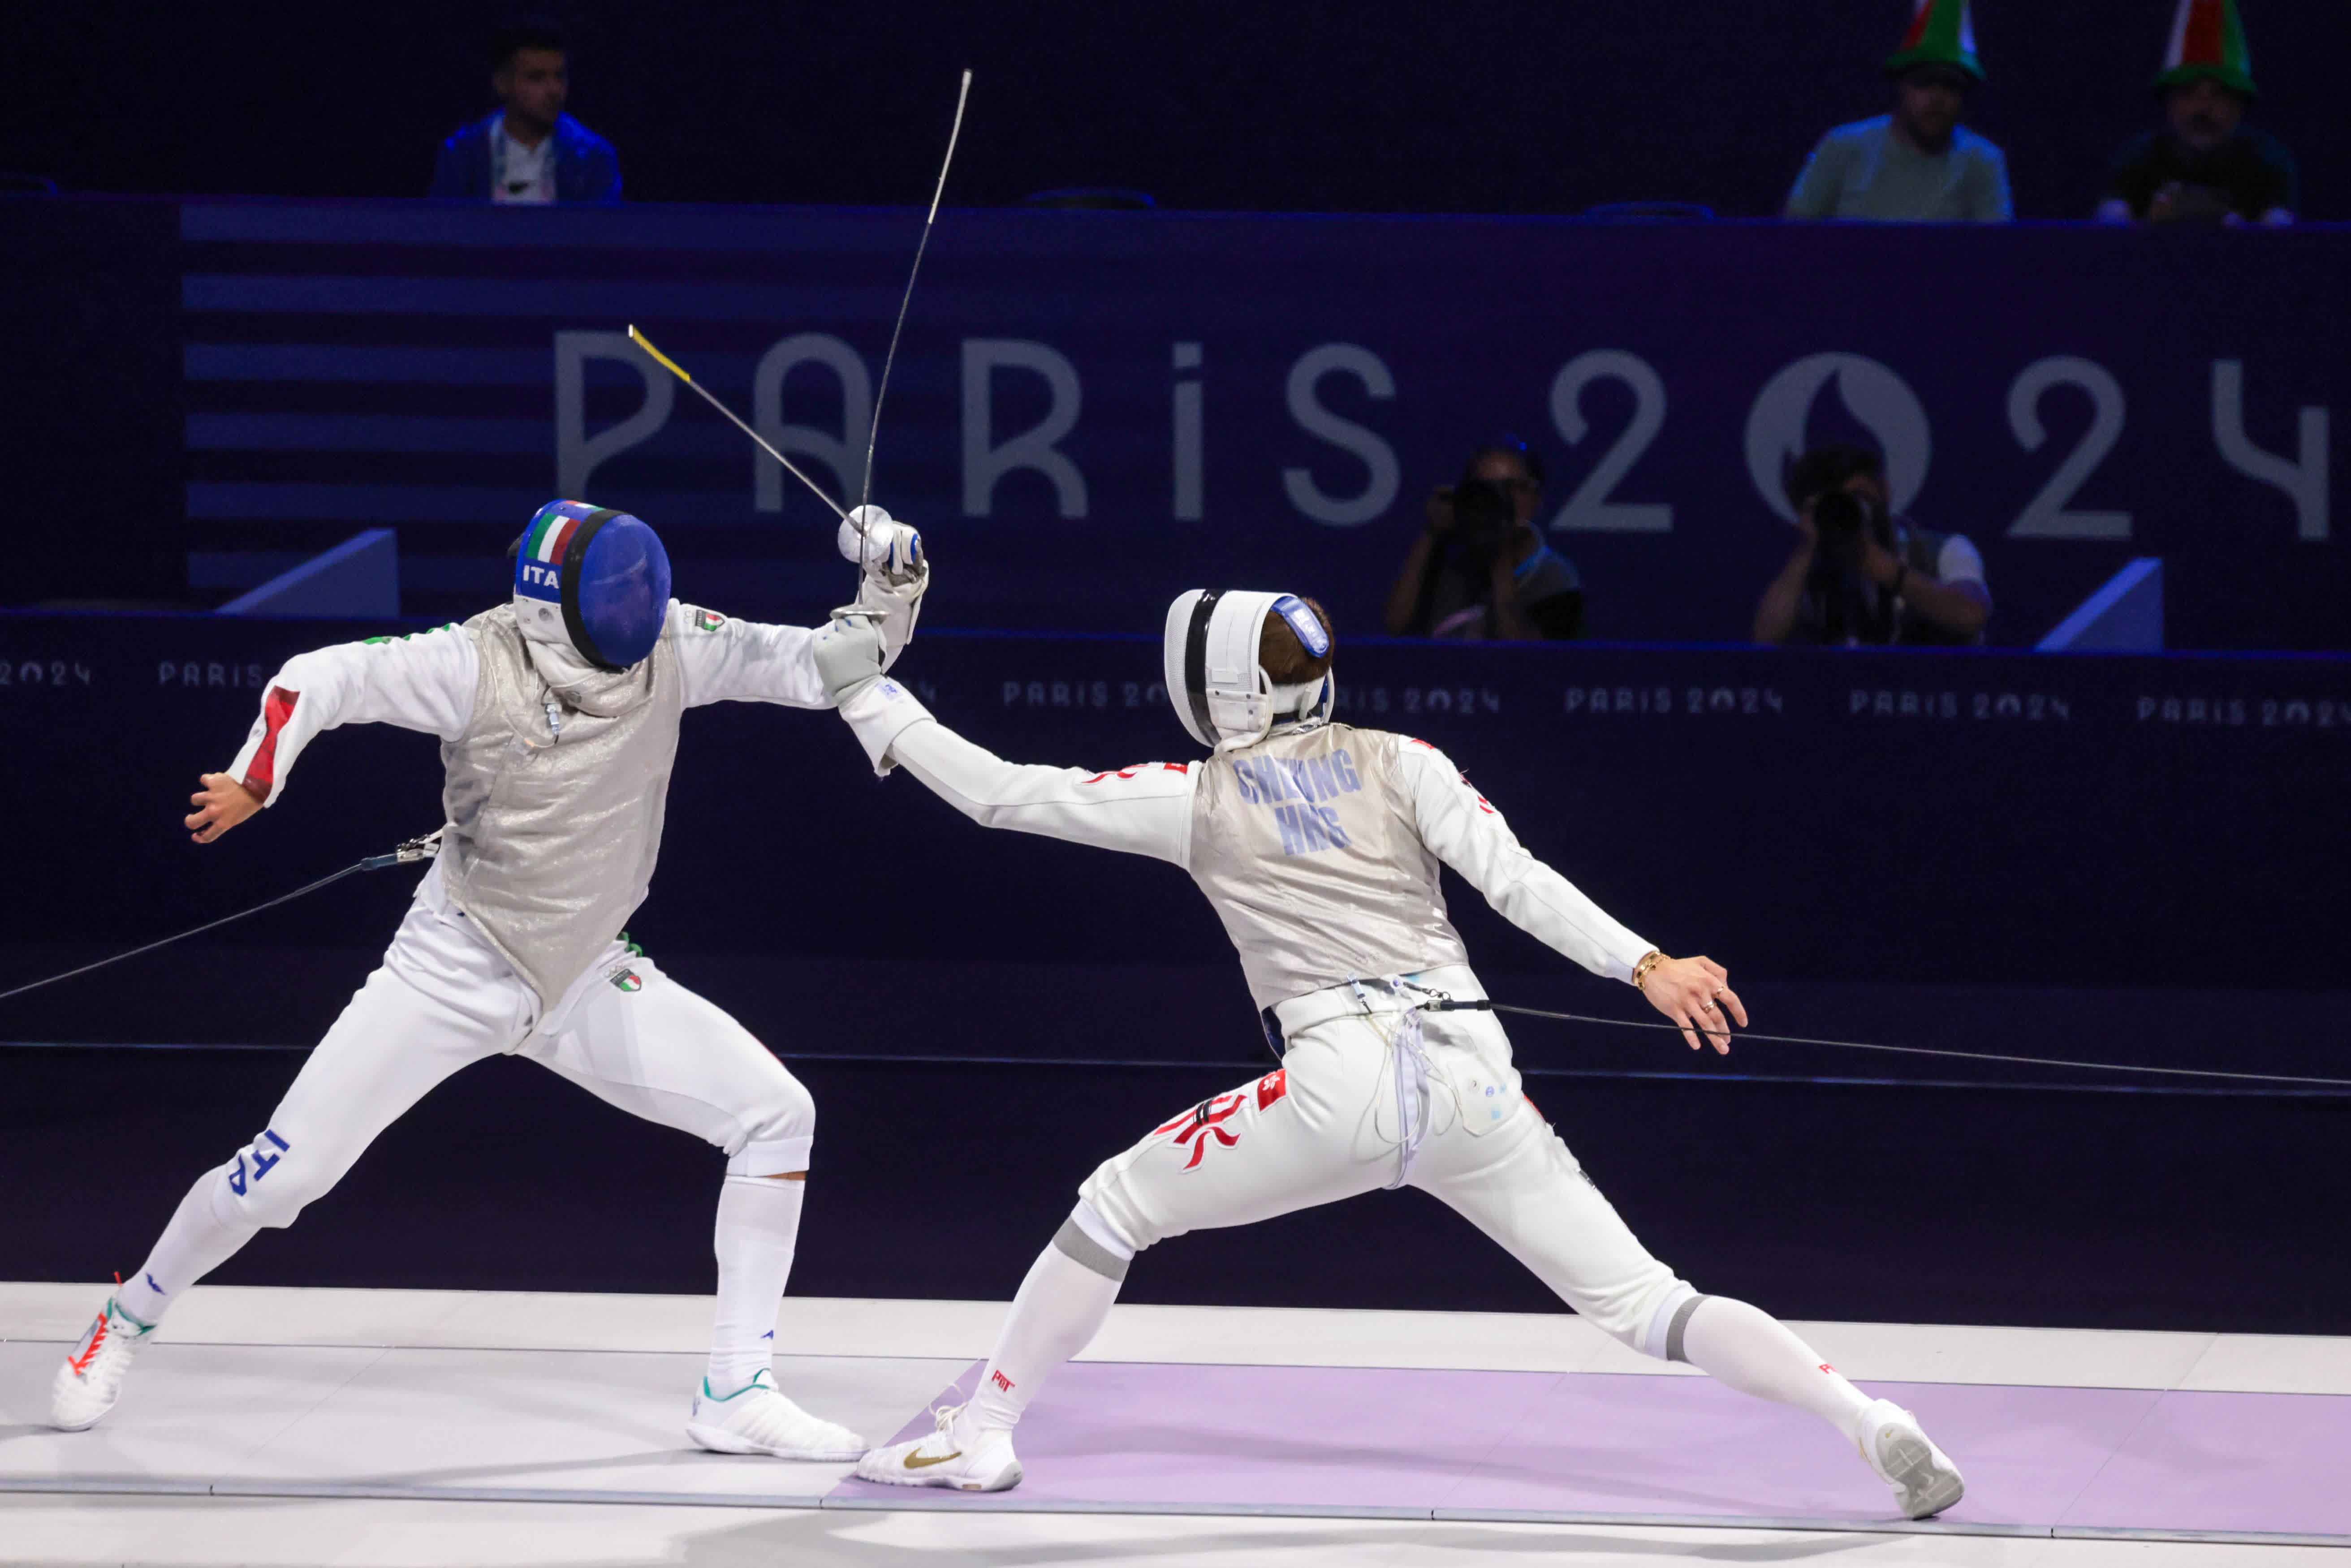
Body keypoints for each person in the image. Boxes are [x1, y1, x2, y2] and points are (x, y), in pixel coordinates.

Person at [809, 590, 1967, 1520]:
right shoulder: (1401, 759)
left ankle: (982, 1430)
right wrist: (1645, 963)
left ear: (1218, 690)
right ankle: (1863, 1418)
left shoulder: (1191, 796)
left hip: (1336, 1081)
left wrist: (864, 690)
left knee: (1114, 1203)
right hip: (1475, 1077)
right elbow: (1516, 881)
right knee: (1648, 1301)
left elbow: (1005, 795)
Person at [48, 501, 928, 1462]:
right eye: (620, 592)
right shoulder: (475, 661)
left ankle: (735, 1388)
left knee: (774, 1113)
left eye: (644, 583)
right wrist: (258, 777)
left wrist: (890, 582)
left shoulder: (676, 641)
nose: (645, 604)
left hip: (587, 971)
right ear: (557, 609)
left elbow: (827, 667)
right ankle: (126, 1320)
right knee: (282, 1179)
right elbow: (320, 677)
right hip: (453, 967)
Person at [1784, 0, 2011, 223]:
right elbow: (1792, 238)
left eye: (1950, 86)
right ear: (1903, 87)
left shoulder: (1983, 162)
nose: (1937, 99)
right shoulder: (1842, 147)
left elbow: (1999, 253)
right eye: (1925, 83)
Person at [1753, 443, 1989, 646]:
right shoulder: (1814, 570)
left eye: (1858, 498)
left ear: (1884, 490)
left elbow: (1971, 615)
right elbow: (1765, 641)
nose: (1853, 510)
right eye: (1838, 503)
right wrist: (1807, 550)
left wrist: (1878, 565)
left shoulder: (1945, 551)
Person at [2095, 0, 2295, 226]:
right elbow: (2107, 234)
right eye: (2188, 93)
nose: (2202, 108)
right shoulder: (2139, 160)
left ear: (2239, 105)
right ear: (2170, 104)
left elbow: (2281, 239)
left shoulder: (2266, 162)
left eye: (2218, 95)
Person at [1382, 440, 1583, 640]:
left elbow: (1524, 659)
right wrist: (1430, 533)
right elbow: (1397, 629)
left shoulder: (1557, 577)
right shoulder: (1450, 563)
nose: (1501, 499)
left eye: (1513, 487)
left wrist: (1500, 559)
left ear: (1537, 498)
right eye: (1487, 489)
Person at [430, 21, 621, 204]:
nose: (554, 90)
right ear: (502, 84)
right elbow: (442, 231)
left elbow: (601, 235)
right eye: (537, 78)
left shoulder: (594, 159)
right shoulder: (462, 155)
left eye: (559, 76)